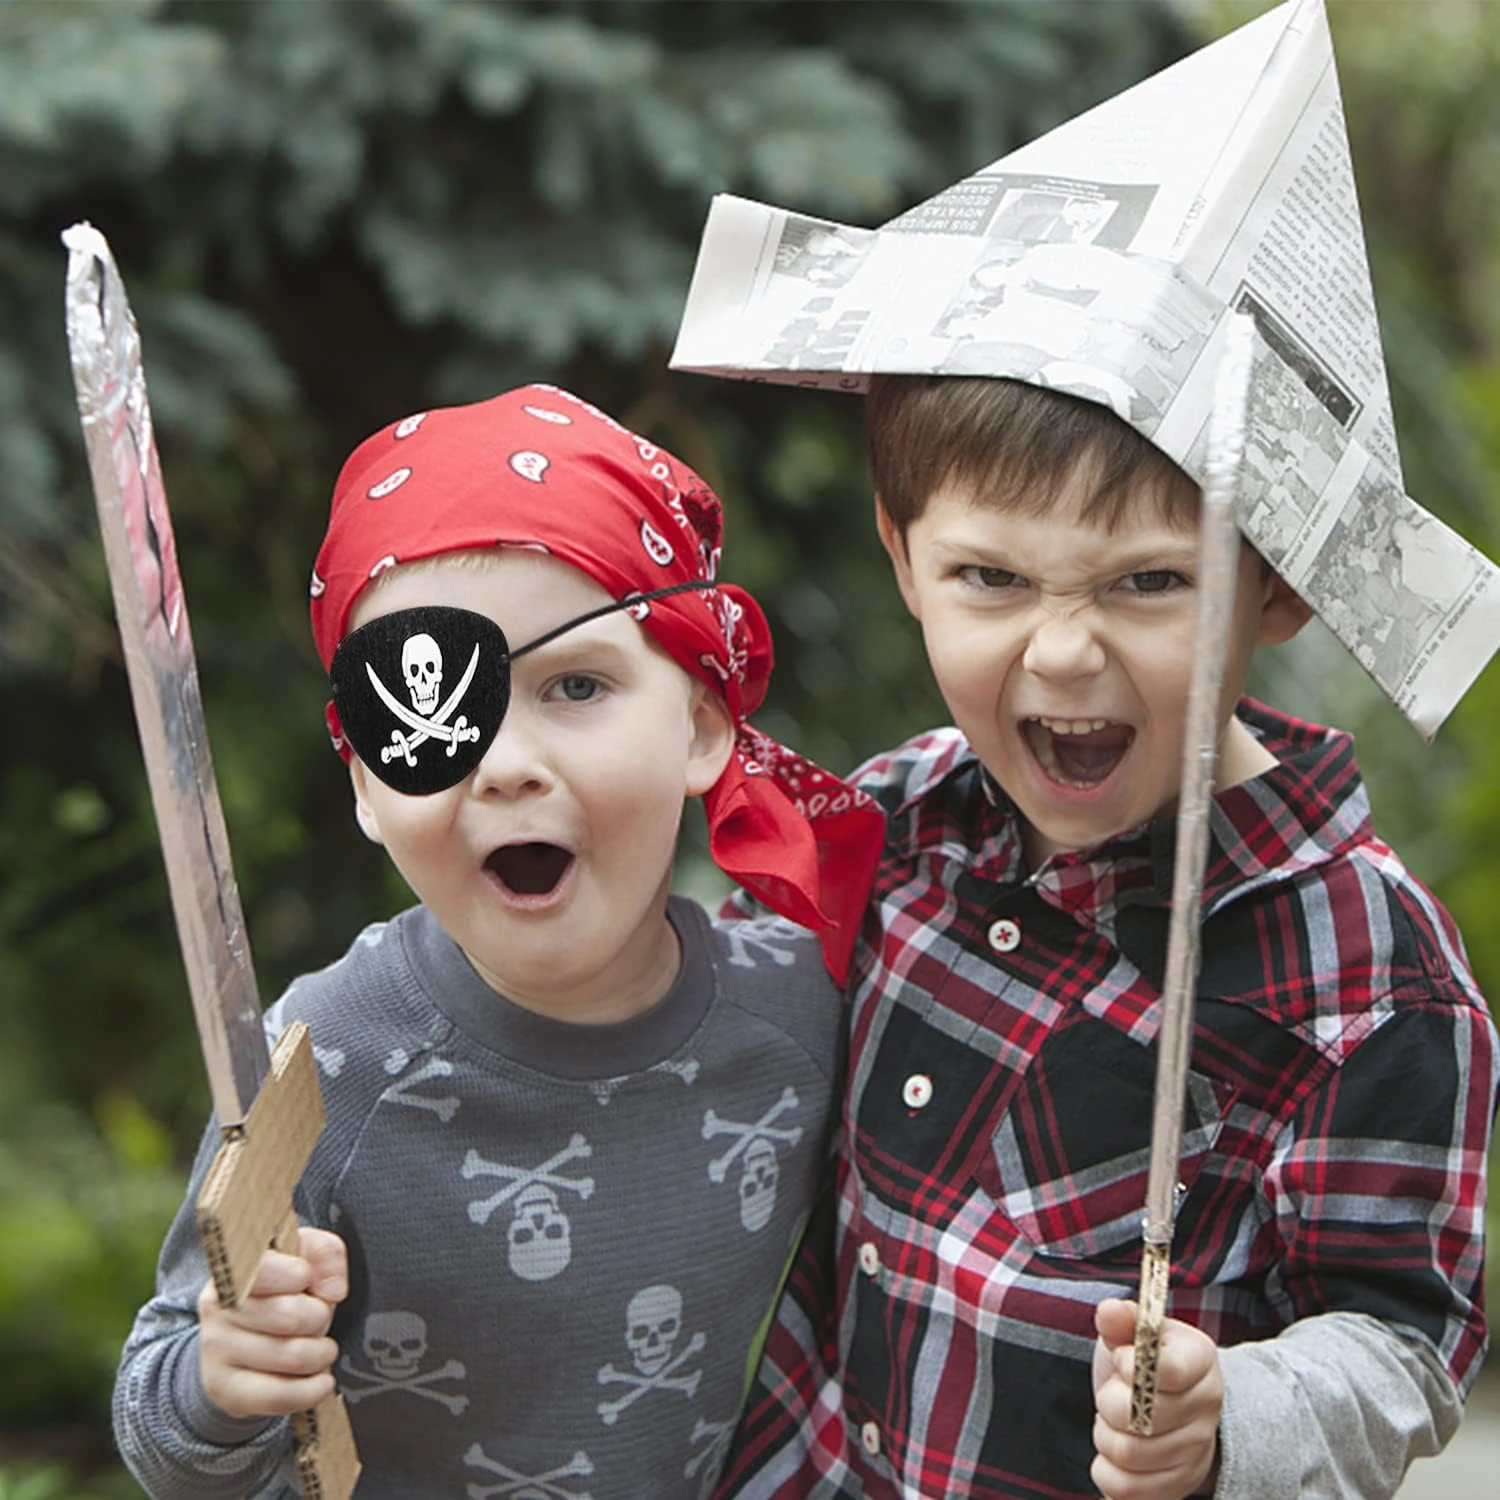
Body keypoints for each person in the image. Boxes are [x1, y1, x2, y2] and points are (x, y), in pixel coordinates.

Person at [713, 373, 1499, 1499]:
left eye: (1150, 582)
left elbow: (1402, 1345)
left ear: (1275, 586)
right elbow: (700, 1052)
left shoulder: (1372, 975)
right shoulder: (898, 820)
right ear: (903, 557)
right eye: (992, 577)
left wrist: (1234, 1412)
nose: (1064, 653)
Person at [111, 384, 884, 1500]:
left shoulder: (804, 1013)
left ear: (706, 726)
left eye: (576, 685)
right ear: (368, 786)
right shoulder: (325, 1058)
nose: (506, 763)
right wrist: (224, 1381)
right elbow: (162, 1429)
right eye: (431, 716)